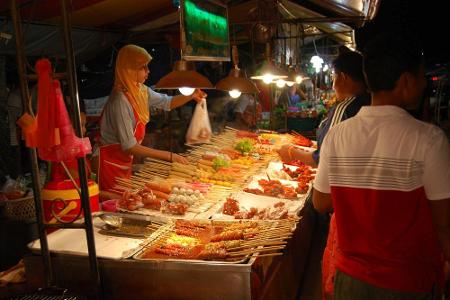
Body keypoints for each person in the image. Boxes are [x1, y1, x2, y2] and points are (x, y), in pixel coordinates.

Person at [313, 32, 450, 299]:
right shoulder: (430, 140)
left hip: (349, 280)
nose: (424, 85)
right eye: (422, 77)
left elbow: (321, 203)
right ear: (407, 80)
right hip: (408, 282)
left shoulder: (338, 135)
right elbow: (444, 224)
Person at [93, 44, 206, 198]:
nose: (148, 71)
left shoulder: (140, 90)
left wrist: (191, 95)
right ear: (129, 69)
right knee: (115, 205)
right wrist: (169, 156)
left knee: (126, 201)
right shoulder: (120, 100)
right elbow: (129, 145)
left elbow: (167, 102)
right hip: (108, 162)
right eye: (143, 67)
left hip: (122, 161)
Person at [278, 47, 370, 168]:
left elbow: (323, 158)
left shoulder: (344, 108)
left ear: (342, 78)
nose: (333, 85)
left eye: (333, 77)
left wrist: (291, 152)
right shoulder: (366, 103)